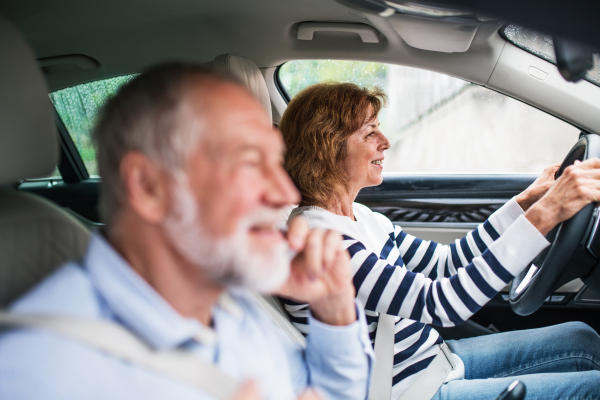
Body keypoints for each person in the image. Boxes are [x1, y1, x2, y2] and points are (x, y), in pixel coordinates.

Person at [0, 66, 374, 400]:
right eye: (248, 163)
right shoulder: (34, 374)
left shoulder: (230, 307)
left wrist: (335, 310)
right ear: (150, 187)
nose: (286, 194)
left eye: (275, 164)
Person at [279, 82, 600, 400]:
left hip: (434, 361)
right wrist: (545, 215)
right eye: (370, 133)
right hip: (408, 391)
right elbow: (441, 303)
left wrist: (525, 203)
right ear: (328, 147)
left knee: (582, 339)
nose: (386, 142)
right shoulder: (322, 244)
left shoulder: (361, 217)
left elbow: (444, 263)